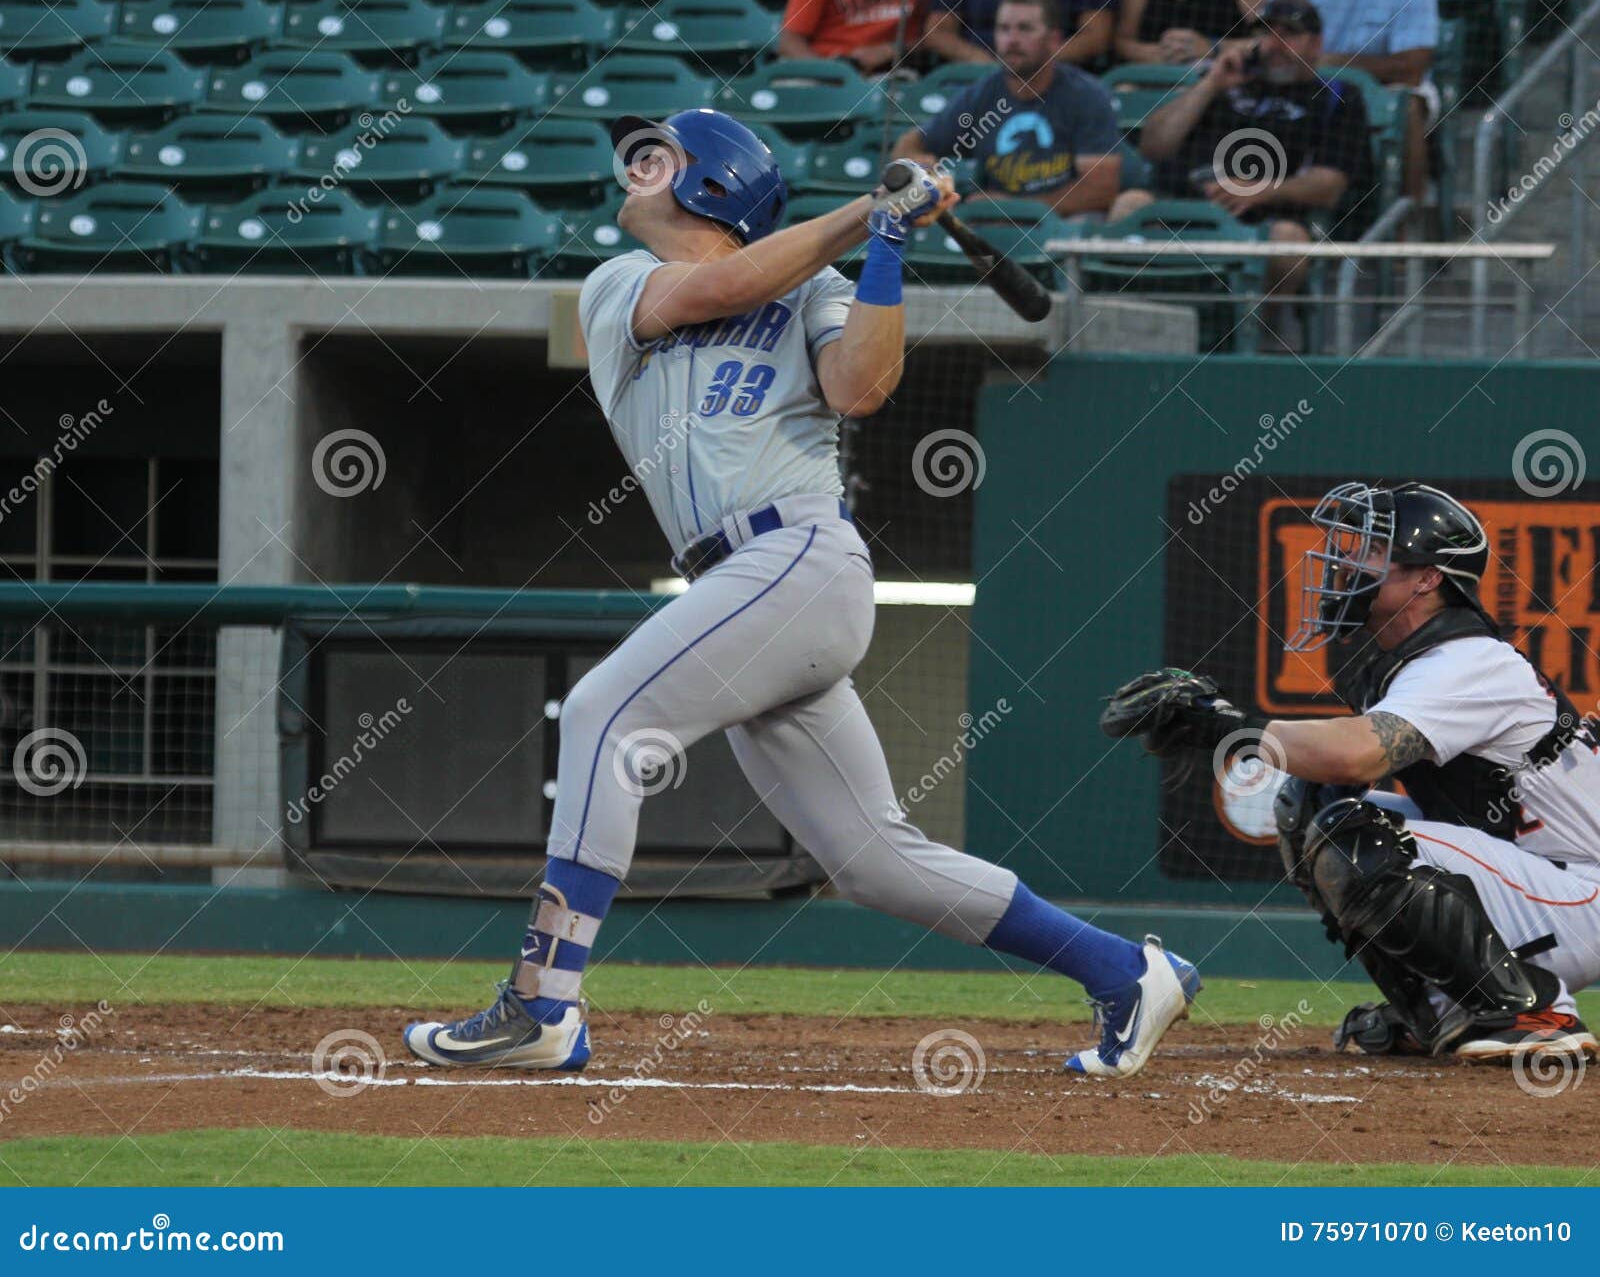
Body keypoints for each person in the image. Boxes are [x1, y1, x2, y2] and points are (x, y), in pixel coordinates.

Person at [403, 108, 1201, 1081]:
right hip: (743, 588)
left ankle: (541, 1004)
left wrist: (888, 247)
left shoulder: (822, 283)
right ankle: (1126, 969)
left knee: (605, 710)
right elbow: (723, 285)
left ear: (714, 182)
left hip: (796, 558)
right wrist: (866, 212)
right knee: (872, 858)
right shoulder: (618, 286)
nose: (634, 168)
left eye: (658, 155)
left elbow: (861, 384)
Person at [1101, 482, 1600, 1062]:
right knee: (1309, 803)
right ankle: (1442, 1009)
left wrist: (1224, 728)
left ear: (1427, 577)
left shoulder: (1468, 660)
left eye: (1370, 551)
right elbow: (1334, 766)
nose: (1344, 563)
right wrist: (1232, 731)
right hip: (1539, 879)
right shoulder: (1424, 661)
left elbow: (1359, 753)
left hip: (1579, 893)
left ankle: (1534, 1011)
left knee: (1355, 834)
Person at [1113, 0, 1371, 351]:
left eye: (1289, 35)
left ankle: (1246, 339)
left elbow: (1329, 185)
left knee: (1289, 243)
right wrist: (1209, 84)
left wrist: (1264, 190)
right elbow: (1153, 146)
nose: (1275, 45)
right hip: (1186, 209)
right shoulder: (1224, 84)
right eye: (1266, 34)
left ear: (1316, 43)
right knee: (1130, 205)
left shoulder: (1337, 97)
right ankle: (1137, 335)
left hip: (1262, 222)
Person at [893, 0, 1122, 217]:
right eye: (1003, 29)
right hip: (992, 223)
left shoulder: (1086, 96)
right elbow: (909, 144)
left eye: (1025, 29)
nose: (1011, 40)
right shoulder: (981, 94)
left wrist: (1011, 207)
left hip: (1063, 224)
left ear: (1053, 39)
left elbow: (1099, 191)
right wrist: (919, 164)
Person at [1313, 0, 1437, 221]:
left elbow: (1411, 69)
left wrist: (1335, 63)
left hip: (1386, 87)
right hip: (1307, 82)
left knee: (1407, 107)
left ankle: (1405, 233)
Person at [920, 0, 1115, 67]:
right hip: (975, 72)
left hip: (1055, 72)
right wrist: (980, 60)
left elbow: (1096, 36)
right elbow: (937, 32)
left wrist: (1034, 61)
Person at [779, 0, 927, 73]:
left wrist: (894, 49)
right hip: (829, 66)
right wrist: (829, 72)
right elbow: (789, 42)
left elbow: (934, 37)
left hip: (892, 72)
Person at [1115, 0, 1262, 64]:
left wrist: (1212, 47)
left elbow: (1266, 44)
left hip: (1220, 89)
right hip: (1153, 84)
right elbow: (1121, 42)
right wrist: (1156, 53)